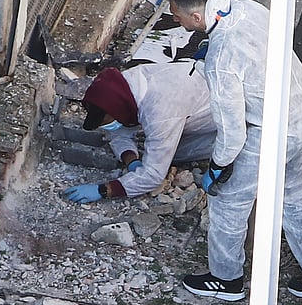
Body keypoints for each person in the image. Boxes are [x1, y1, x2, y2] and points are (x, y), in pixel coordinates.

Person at [163, 0, 302, 301]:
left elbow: (233, 134)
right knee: (291, 197)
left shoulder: (221, 60)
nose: (175, 19)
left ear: (195, 17)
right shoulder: (248, 7)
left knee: (227, 203)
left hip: (272, 133)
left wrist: (216, 168)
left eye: (176, 14)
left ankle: (225, 279)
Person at [62, 62, 215, 202]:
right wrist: (131, 161)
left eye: (106, 123)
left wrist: (104, 190)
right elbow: (119, 133)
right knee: (158, 147)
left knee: (177, 154)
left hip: (227, 119)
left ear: (117, 111)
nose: (108, 127)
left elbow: (153, 176)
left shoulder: (159, 112)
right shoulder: (125, 86)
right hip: (193, 99)